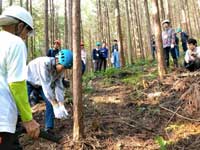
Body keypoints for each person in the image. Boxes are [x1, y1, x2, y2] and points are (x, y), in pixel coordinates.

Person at [0, 6, 40, 149]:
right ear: (20, 26)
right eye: (27, 31)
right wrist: (28, 119)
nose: (25, 36)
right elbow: (16, 84)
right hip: (2, 119)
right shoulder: (15, 43)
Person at [26, 49, 73, 133]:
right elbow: (46, 86)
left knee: (49, 103)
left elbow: (59, 87)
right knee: (22, 101)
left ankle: (49, 128)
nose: (63, 70)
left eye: (65, 68)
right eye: (63, 67)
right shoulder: (44, 64)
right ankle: (16, 123)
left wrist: (61, 104)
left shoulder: (61, 70)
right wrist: (55, 104)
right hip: (28, 80)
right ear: (58, 60)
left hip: (41, 84)